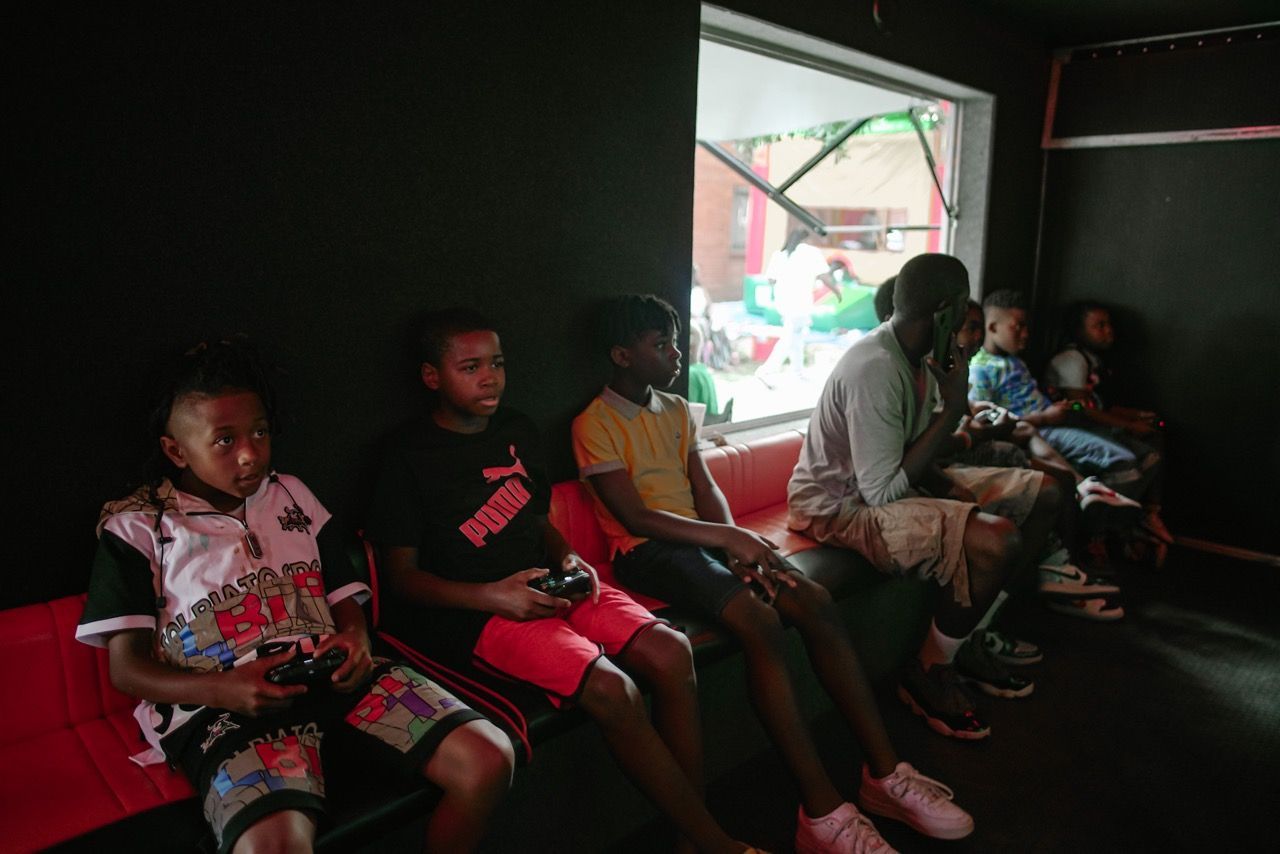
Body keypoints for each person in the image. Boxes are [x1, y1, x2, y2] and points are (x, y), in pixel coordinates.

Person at [75, 339, 514, 854]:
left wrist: (356, 637)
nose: (250, 453)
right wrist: (225, 690)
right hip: (224, 707)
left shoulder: (292, 494)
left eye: (259, 432)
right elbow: (126, 670)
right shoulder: (136, 527)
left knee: (489, 758)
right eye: (224, 440)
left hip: (332, 675)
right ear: (177, 449)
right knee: (274, 847)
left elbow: (343, 594)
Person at [574, 294, 973, 854]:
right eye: (660, 344)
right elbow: (634, 516)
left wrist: (740, 540)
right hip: (650, 551)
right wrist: (727, 540)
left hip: (703, 540)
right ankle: (821, 812)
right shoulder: (594, 422)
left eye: (676, 340)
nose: (676, 353)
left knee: (811, 599)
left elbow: (704, 487)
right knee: (760, 622)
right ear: (621, 354)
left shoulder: (674, 409)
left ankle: (885, 775)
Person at [365, 309, 755, 854]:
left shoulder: (516, 429)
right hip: (483, 611)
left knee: (671, 651)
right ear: (433, 377)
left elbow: (538, 521)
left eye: (496, 363)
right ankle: (715, 843)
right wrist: (492, 596)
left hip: (554, 582)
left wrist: (570, 556)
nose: (489, 378)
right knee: (614, 690)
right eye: (470, 367)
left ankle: (690, 837)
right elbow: (400, 578)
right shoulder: (404, 456)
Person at [788, 254, 1089, 741]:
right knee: (997, 539)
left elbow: (917, 452)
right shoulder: (876, 367)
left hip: (891, 488)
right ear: (945, 308)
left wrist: (958, 474)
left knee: (1045, 494)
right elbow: (881, 492)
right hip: (839, 509)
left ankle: (967, 635)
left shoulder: (924, 355)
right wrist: (953, 410)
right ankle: (929, 670)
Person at [969, 291, 1159, 570]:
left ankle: (1125, 519)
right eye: (1017, 326)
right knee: (1122, 460)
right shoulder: (980, 369)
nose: (1025, 334)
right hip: (1042, 429)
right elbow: (995, 421)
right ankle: (1095, 528)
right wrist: (1045, 417)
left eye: (1026, 327)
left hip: (1055, 422)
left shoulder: (1015, 361)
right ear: (993, 326)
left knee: (1149, 452)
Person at [1045, 300, 1172, 557]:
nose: (1108, 331)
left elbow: (1099, 404)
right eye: (1098, 326)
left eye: (1108, 325)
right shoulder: (1071, 359)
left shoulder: (1093, 360)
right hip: (1073, 427)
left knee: (1153, 446)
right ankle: (1097, 532)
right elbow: (1081, 408)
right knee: (1127, 464)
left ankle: (1144, 516)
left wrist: (1137, 416)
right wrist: (1128, 425)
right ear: (1079, 330)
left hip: (1093, 424)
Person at [758, 228, 840, 379]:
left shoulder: (781, 254)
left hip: (784, 302)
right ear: (807, 239)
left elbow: (770, 280)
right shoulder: (811, 253)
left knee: (796, 336)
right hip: (800, 302)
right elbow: (823, 276)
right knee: (790, 335)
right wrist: (836, 291)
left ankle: (797, 371)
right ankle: (768, 369)